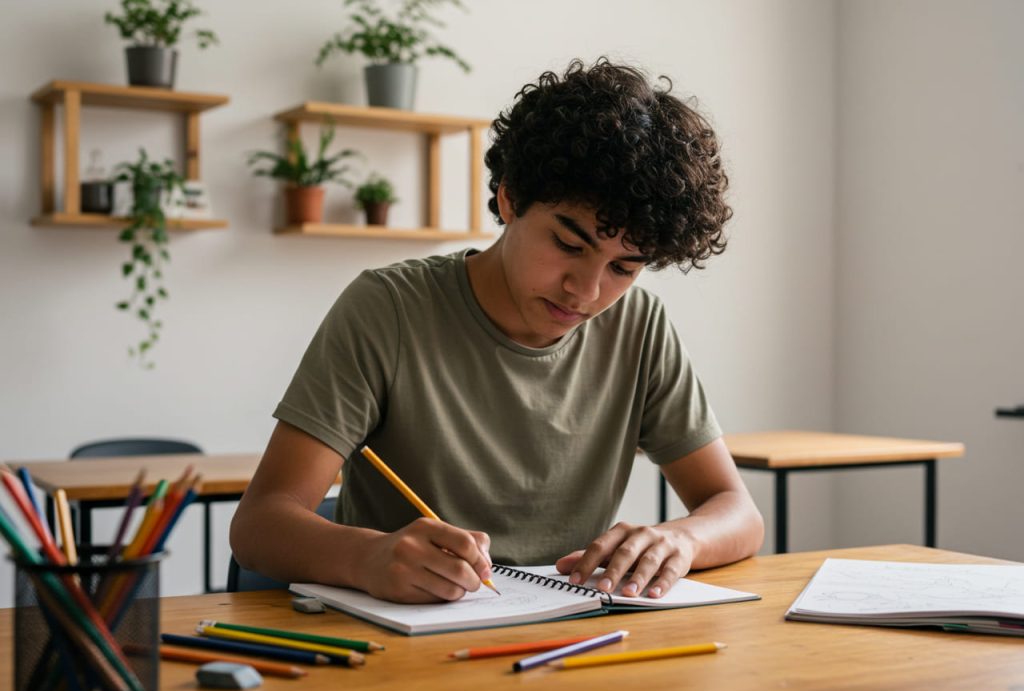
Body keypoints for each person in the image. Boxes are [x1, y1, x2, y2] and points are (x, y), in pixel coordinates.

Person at [230, 58, 764, 604]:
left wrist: (677, 540)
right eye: (569, 245)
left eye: (623, 268)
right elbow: (259, 526)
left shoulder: (639, 326)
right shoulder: (389, 309)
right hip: (403, 647)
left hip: (571, 645)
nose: (586, 291)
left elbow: (736, 510)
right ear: (509, 198)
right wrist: (366, 556)